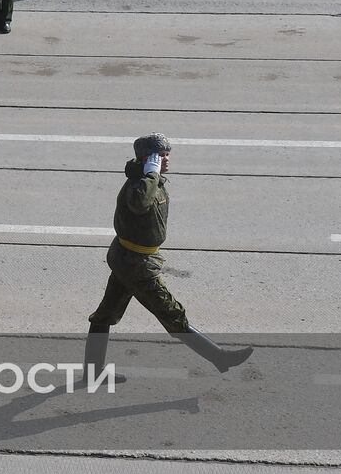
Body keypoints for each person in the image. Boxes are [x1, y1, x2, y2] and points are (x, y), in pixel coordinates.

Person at [84, 135, 254, 380]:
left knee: (105, 315)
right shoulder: (140, 185)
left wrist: (152, 175)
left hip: (131, 261)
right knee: (173, 315)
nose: (166, 160)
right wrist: (151, 174)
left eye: (166, 154)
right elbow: (141, 203)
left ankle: (92, 373)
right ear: (148, 159)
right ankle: (220, 358)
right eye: (161, 156)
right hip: (137, 266)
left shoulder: (149, 182)